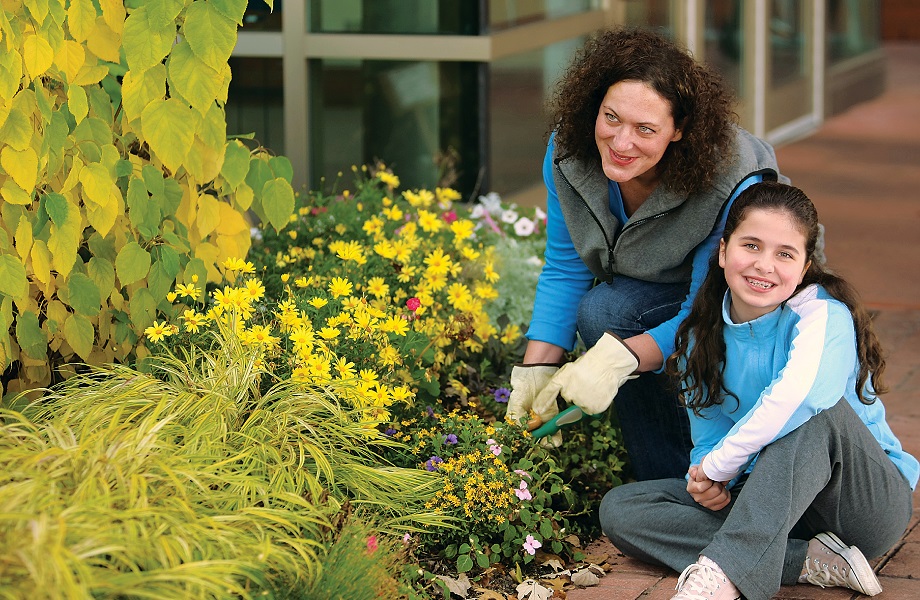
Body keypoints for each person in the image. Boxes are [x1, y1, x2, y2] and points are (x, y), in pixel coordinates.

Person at [599, 182, 918, 600]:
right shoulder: (700, 336)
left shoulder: (822, 315)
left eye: (784, 254)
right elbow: (708, 441)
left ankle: (722, 576)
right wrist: (706, 480)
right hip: (772, 503)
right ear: (723, 251)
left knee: (812, 415)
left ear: (804, 268)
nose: (764, 265)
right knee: (623, 509)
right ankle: (807, 560)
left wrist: (722, 465)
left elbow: (798, 400)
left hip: (859, 506)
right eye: (751, 245)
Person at [506, 26, 787, 480]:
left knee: (608, 315)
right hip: (662, 293)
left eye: (645, 129)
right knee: (607, 310)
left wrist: (618, 359)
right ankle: (665, 481)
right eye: (612, 117)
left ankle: (719, 472)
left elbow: (709, 310)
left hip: (746, 310)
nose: (620, 143)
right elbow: (564, 266)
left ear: (679, 131)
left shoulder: (730, 182)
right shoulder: (568, 153)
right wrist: (537, 369)